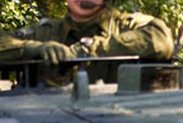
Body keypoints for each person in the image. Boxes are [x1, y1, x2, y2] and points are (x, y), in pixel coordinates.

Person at [0, 0, 174, 84]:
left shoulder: (126, 25)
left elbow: (160, 39)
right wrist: (33, 49)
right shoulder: (45, 32)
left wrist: (87, 50)